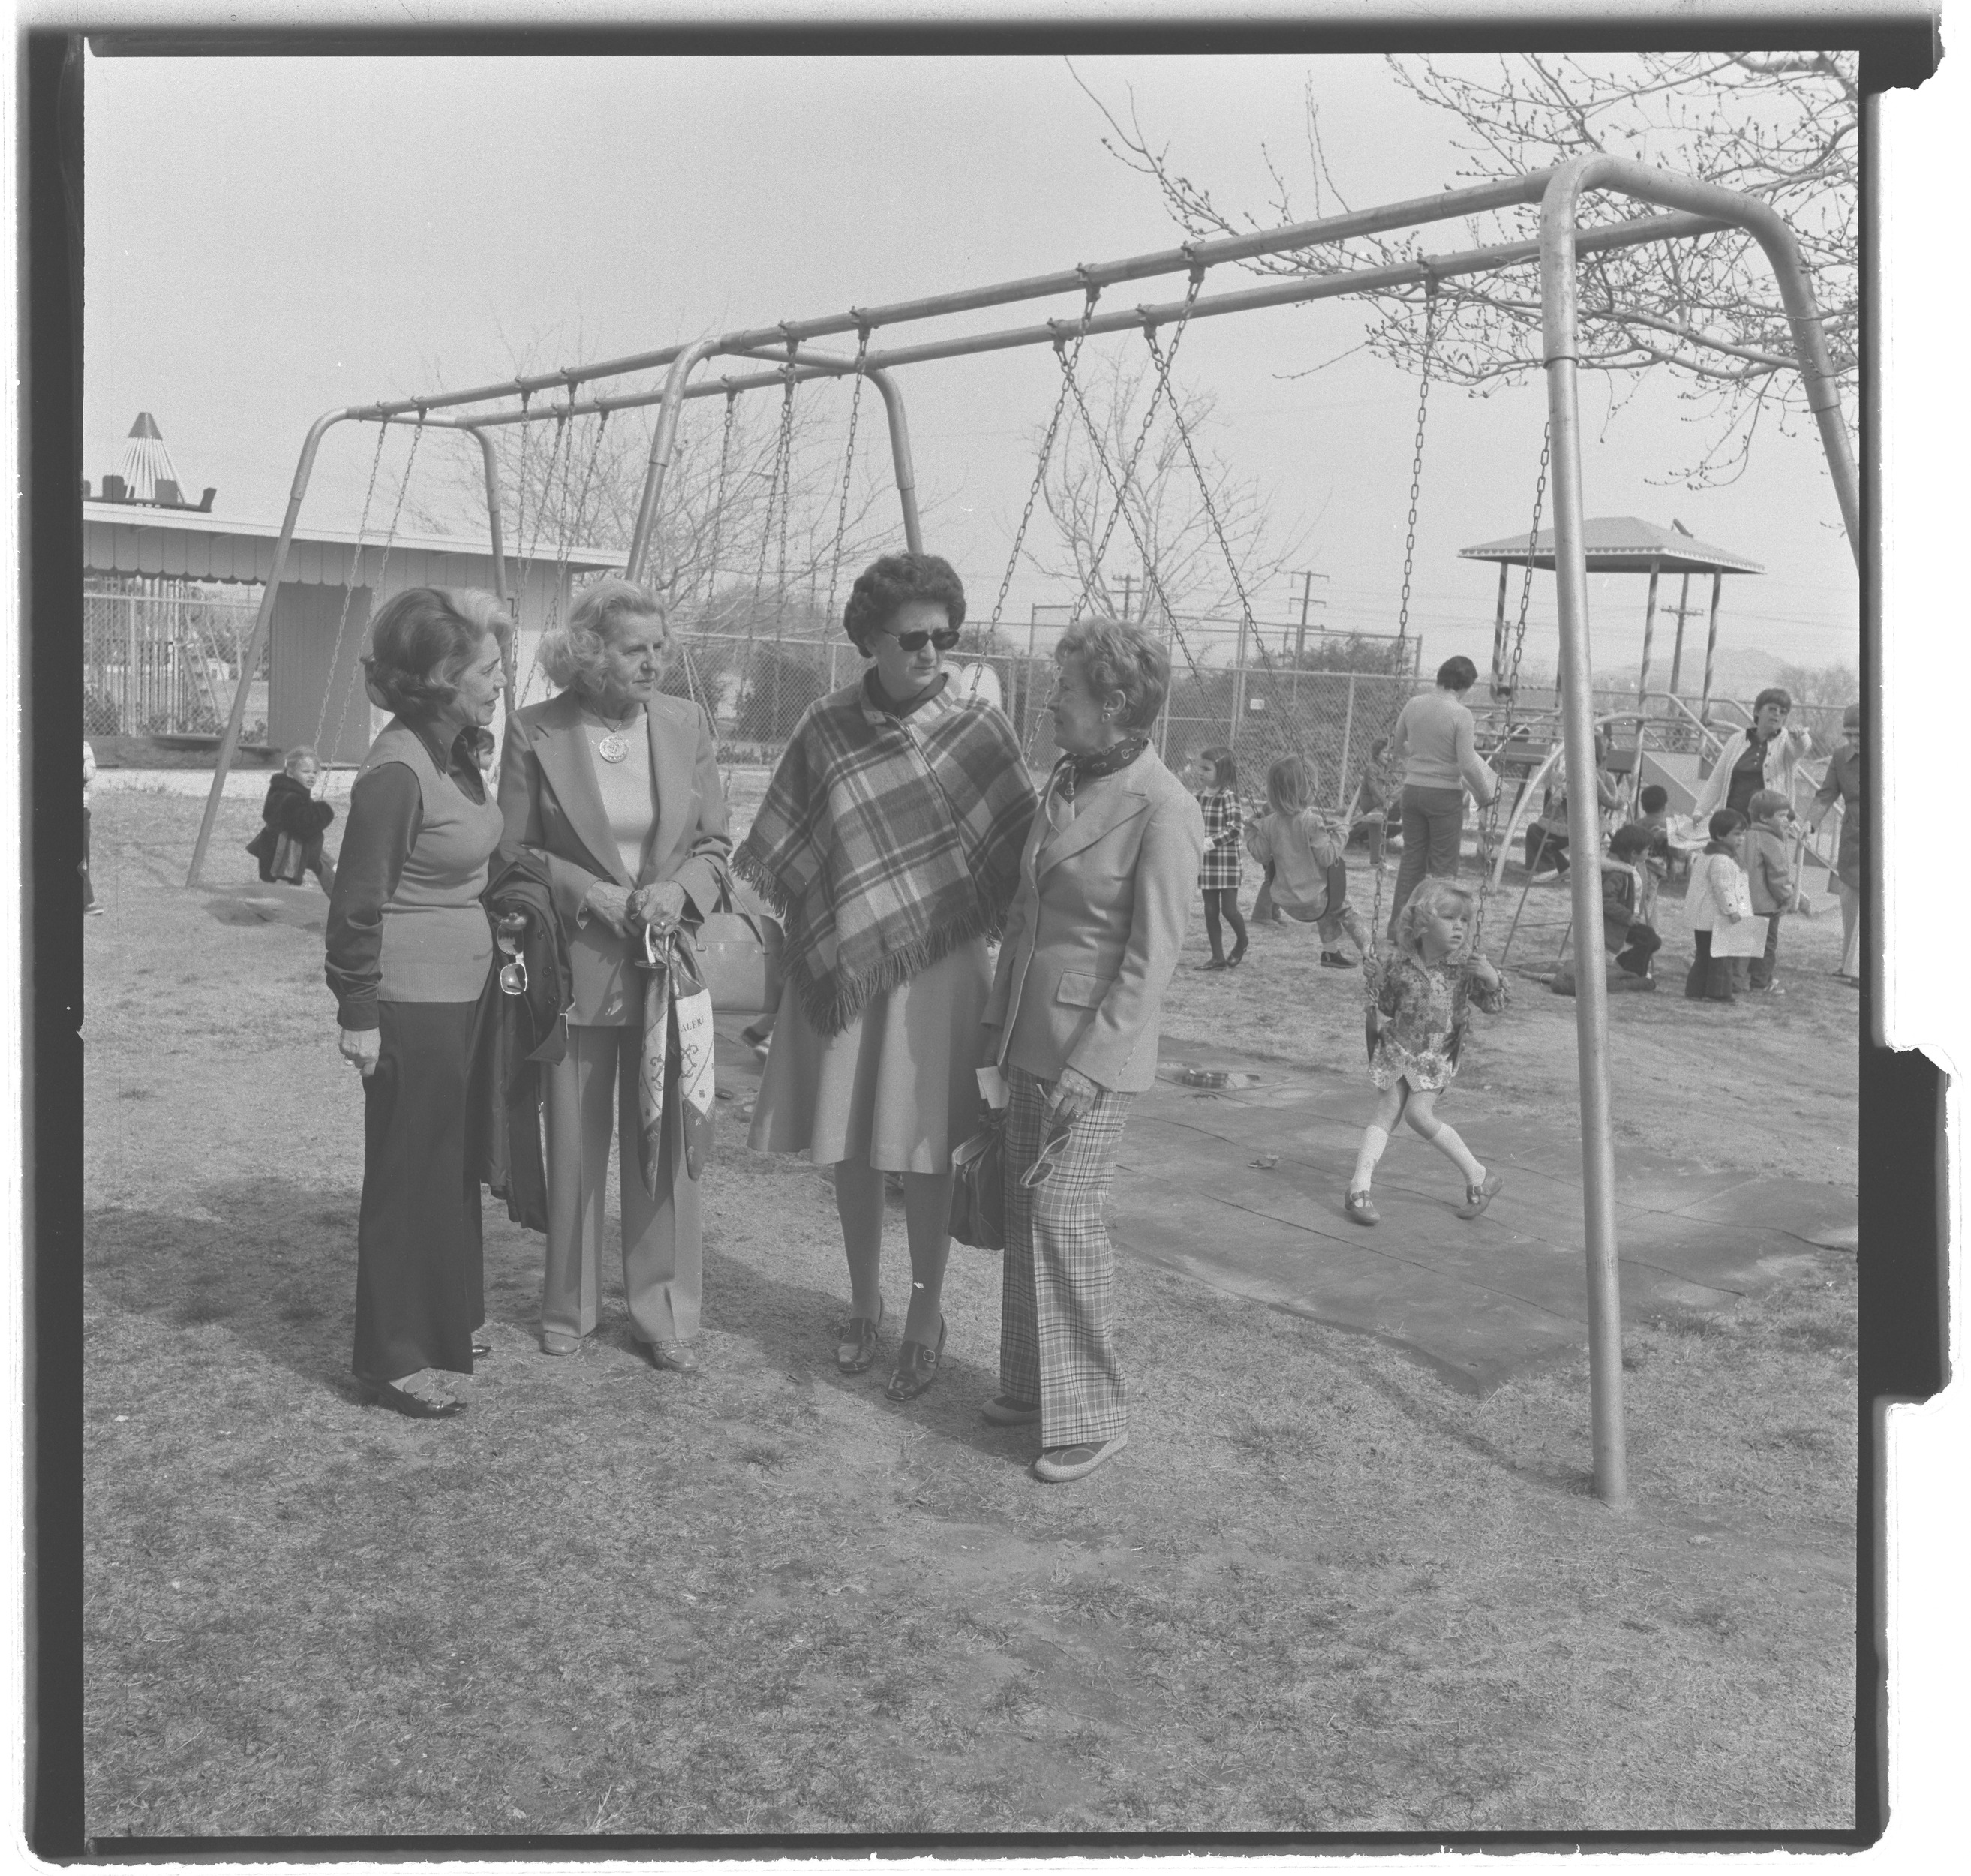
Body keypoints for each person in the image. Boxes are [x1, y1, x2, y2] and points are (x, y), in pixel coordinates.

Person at [740, 552, 1035, 1402]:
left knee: (927, 1148)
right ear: (869, 638)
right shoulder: (824, 725)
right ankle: (863, 1302)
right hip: (843, 964)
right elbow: (787, 849)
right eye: (912, 638)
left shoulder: (979, 727)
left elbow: (1019, 855)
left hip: (939, 971)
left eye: (946, 635)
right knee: (853, 1148)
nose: (931, 652)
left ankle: (923, 1311)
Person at [981, 617, 1203, 1484]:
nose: (1049, 703)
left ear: (1113, 703)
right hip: (1027, 1039)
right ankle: (1034, 1386)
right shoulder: (1064, 782)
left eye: (1064, 690)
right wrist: (993, 1033)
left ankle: (1095, 1413)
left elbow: (1151, 958)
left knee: (1061, 1218)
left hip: (1089, 1058)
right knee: (1020, 1210)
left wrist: (1090, 1064)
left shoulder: (1166, 807)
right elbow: (1024, 919)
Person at [497, 578, 733, 1371]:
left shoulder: (685, 725)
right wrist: (584, 889)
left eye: (661, 648)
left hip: (669, 969)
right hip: (576, 969)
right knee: (573, 1145)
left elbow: (714, 846)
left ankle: (662, 1311)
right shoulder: (534, 731)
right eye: (638, 649)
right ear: (591, 654)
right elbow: (514, 850)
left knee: (662, 1144)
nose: (655, 662)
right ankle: (567, 1306)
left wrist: (679, 891)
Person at [325, 587, 512, 1418]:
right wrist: (358, 1012)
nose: (500, 680)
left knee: (450, 1167)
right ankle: (387, 1361)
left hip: (461, 993)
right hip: (410, 1001)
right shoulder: (397, 771)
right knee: (409, 1176)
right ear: (441, 675)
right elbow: (356, 903)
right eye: (488, 667)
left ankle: (445, 1321)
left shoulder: (455, 747)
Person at [1345, 877, 1508, 1227]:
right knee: (1387, 1109)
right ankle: (1358, 1189)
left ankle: (1479, 1174)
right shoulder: (1399, 963)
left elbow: (1493, 1004)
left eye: (1464, 920)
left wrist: (1492, 978)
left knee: (1419, 1116)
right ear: (1421, 924)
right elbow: (1390, 1006)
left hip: (1435, 1056)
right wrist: (1376, 982)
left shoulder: (1465, 966)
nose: (1459, 927)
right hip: (1398, 1047)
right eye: (1450, 918)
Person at [1385, 655, 1498, 933]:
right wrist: (1485, 794)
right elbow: (1466, 762)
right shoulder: (1461, 714)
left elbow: (1398, 745)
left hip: (1412, 791)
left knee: (1412, 860)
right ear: (1465, 685)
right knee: (1444, 867)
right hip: (1444, 793)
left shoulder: (1414, 704)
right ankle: (1438, 930)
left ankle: (1400, 928)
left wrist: (1421, 757)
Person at [1245, 753, 1373, 967]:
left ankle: (1330, 954)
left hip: (1286, 902)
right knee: (1345, 908)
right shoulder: (1312, 822)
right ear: (1307, 790)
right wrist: (1342, 832)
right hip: (1314, 900)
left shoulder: (1267, 824)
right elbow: (1327, 857)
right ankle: (1369, 951)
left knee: (1328, 904)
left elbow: (1260, 855)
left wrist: (1250, 829)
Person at [1691, 686, 1812, 825]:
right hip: (1733, 822)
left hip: (1770, 825)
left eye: (1783, 712)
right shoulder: (1736, 740)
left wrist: (1801, 736)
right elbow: (1717, 780)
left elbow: (1802, 748)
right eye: (1772, 709)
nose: (1777, 714)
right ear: (1757, 711)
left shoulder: (1788, 742)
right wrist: (1700, 811)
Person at [1810, 702, 1862, 987]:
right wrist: (1811, 823)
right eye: (1849, 734)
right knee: (1850, 905)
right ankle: (1849, 966)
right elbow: (1825, 794)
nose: (1854, 741)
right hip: (1854, 840)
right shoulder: (1841, 757)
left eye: (1861, 734)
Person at [1683, 809, 1759, 1003]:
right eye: (1737, 834)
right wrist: (1732, 910)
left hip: (1704, 917)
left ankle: (1696, 990)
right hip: (1716, 917)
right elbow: (1723, 888)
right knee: (1721, 957)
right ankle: (1718, 993)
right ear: (1719, 835)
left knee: (1704, 956)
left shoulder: (1707, 855)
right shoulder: (1722, 860)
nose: (1741, 839)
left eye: (1743, 834)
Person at [1741, 788, 1808, 995]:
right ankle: (1761, 983)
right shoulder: (1771, 841)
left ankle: (1742, 978)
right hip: (1766, 905)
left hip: (1745, 901)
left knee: (1746, 942)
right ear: (1764, 817)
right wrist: (1786, 899)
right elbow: (1778, 876)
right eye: (1781, 816)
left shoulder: (1746, 836)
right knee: (1767, 946)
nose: (1786, 820)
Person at [247, 744, 338, 894]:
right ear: (290, 773)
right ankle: (347, 899)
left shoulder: (281, 790)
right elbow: (306, 826)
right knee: (325, 865)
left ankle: (348, 894)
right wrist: (324, 811)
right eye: (305, 772)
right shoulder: (291, 797)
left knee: (328, 863)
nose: (312, 776)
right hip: (287, 849)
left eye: (315, 773)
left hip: (285, 843)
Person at [1193, 745, 1247, 970]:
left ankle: (1242, 941)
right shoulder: (1197, 798)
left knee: (1230, 910)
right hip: (1207, 864)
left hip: (1227, 864)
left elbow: (1235, 828)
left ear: (1222, 772)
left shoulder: (1229, 797)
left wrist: (1210, 842)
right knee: (1210, 910)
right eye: (1201, 768)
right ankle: (1217, 957)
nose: (1201, 773)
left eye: (1207, 769)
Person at [1599, 823, 1663, 982]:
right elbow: (1605, 901)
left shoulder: (1630, 867)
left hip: (1625, 919)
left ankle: (1623, 965)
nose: (1649, 852)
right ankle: (1635, 974)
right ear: (1634, 853)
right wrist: (1627, 916)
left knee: (1653, 940)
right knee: (1648, 938)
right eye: (1647, 849)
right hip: (1616, 922)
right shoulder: (1616, 874)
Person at [1345, 735, 1399, 869]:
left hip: (1378, 802)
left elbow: (1385, 788)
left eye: (1390, 752)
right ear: (1376, 753)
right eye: (1385, 752)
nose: (1389, 755)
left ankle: (1377, 860)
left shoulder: (1383, 769)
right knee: (1377, 825)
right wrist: (1385, 801)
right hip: (1370, 803)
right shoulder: (1372, 768)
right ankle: (1378, 860)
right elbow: (1373, 788)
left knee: (1400, 795)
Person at [82, 738, 103, 915]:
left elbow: (89, 773)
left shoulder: (84, 746)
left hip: (80, 809)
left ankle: (87, 901)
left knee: (81, 857)